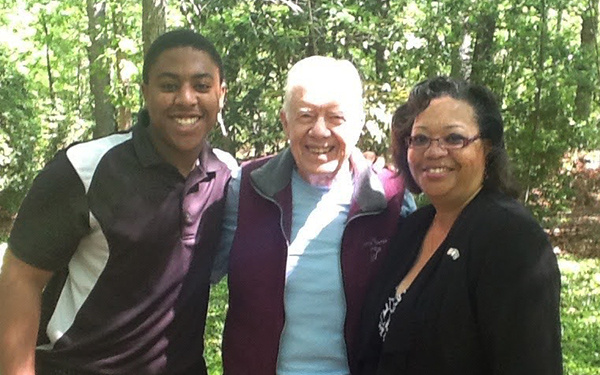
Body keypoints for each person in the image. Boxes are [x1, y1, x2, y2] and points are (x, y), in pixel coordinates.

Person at [0, 29, 236, 375]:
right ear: (145, 93)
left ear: (221, 94)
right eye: (169, 85)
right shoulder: (83, 169)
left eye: (201, 86)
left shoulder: (227, 175)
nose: (186, 99)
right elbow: (20, 279)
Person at [213, 56, 416, 375]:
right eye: (306, 115)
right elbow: (191, 278)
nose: (319, 131)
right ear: (285, 122)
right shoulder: (248, 189)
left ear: (358, 124)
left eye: (336, 117)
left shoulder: (391, 199)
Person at [357, 76, 562, 374]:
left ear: (488, 148)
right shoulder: (414, 228)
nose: (434, 151)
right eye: (421, 139)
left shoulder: (512, 239)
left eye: (454, 138)